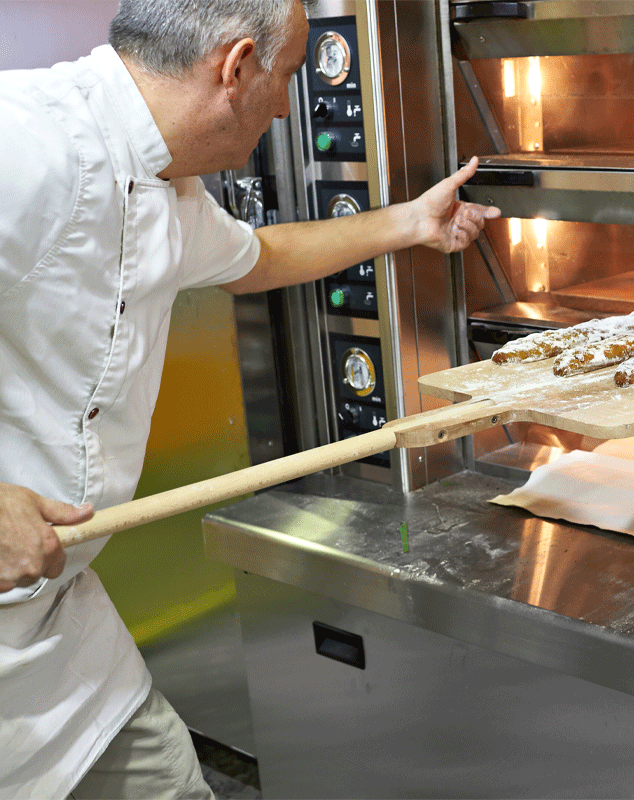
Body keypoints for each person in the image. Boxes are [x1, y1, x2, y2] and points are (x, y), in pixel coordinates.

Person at [0, 0, 500, 796]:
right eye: (288, 75)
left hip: (60, 628)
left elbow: (260, 254)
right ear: (235, 68)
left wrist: (408, 223)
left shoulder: (169, 187)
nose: (283, 104)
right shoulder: (22, 140)